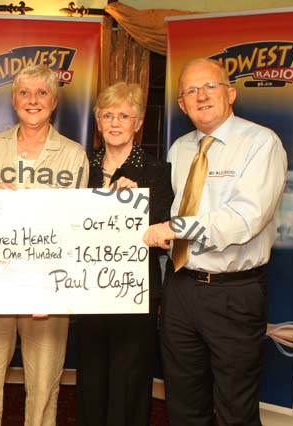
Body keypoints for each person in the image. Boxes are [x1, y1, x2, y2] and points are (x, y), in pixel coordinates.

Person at [144, 58, 287, 425]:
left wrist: (175, 228)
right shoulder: (179, 149)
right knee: (182, 400)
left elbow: (245, 219)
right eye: (191, 90)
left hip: (233, 294)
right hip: (180, 288)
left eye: (210, 86)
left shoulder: (261, 143)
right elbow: (165, 207)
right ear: (181, 104)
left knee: (234, 407)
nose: (201, 96)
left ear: (230, 93)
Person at [0, 64, 89, 426]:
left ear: (54, 101)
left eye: (42, 93)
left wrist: (49, 289)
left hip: (47, 285)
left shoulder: (73, 153)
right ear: (13, 99)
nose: (33, 100)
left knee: (44, 381)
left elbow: (78, 224)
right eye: (24, 92)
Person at [76, 82, 173, 426]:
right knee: (91, 378)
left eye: (123, 116)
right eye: (107, 116)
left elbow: (163, 229)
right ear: (98, 123)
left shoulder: (157, 171)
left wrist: (133, 206)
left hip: (135, 293)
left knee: (129, 382)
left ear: (138, 122)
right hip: (86, 290)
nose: (115, 123)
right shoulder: (81, 167)